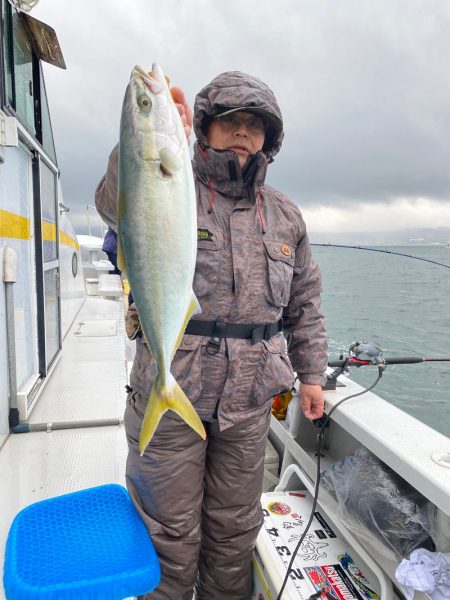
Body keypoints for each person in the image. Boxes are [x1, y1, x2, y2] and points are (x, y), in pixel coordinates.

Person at [95, 70, 328, 600]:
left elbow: (305, 302)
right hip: (172, 379)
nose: (243, 132)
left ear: (270, 138)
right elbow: (114, 202)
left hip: (247, 405)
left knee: (233, 532)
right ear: (204, 128)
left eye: (255, 124)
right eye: (230, 122)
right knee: (168, 534)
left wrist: (311, 375)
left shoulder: (287, 214)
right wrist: (144, 139)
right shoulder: (170, 183)